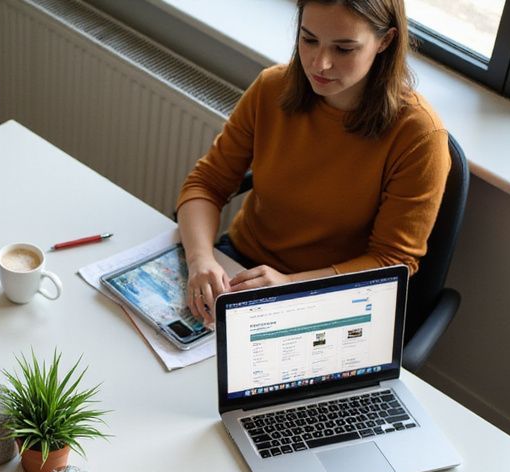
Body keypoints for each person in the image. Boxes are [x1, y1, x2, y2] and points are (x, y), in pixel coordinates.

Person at [179, 0, 450, 324]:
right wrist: (200, 259)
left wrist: (290, 285)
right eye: (308, 40)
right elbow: (207, 183)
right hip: (241, 267)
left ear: (385, 41)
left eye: (344, 49)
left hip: (333, 297)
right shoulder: (272, 88)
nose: (320, 64)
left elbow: (390, 262)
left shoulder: (418, 136)